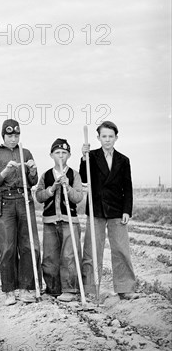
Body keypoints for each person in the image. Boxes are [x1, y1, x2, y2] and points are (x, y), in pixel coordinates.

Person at [80, 121, 139, 300]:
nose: (107, 140)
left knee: (121, 249)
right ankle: (90, 290)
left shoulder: (123, 160)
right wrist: (84, 158)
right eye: (104, 136)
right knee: (92, 250)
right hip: (96, 209)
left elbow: (127, 187)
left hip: (117, 209)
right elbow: (83, 177)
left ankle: (125, 288)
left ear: (116, 138)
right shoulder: (91, 156)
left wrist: (127, 210)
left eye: (110, 136)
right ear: (98, 138)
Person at [0, 119, 41, 305]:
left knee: (29, 245)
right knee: (8, 247)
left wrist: (33, 170)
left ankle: (27, 288)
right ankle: (9, 290)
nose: (13, 138)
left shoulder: (25, 152)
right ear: (3, 136)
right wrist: (6, 171)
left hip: (25, 199)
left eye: (16, 135)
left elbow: (33, 181)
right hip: (6, 201)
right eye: (10, 135)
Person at [35, 139, 83, 302]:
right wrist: (52, 189)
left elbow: (78, 198)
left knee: (69, 255)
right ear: (51, 155)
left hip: (69, 221)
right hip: (49, 222)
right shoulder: (46, 175)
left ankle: (70, 289)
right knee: (50, 256)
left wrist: (68, 187)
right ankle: (52, 288)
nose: (61, 156)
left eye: (64, 153)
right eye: (57, 153)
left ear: (69, 155)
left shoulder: (74, 174)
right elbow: (39, 196)